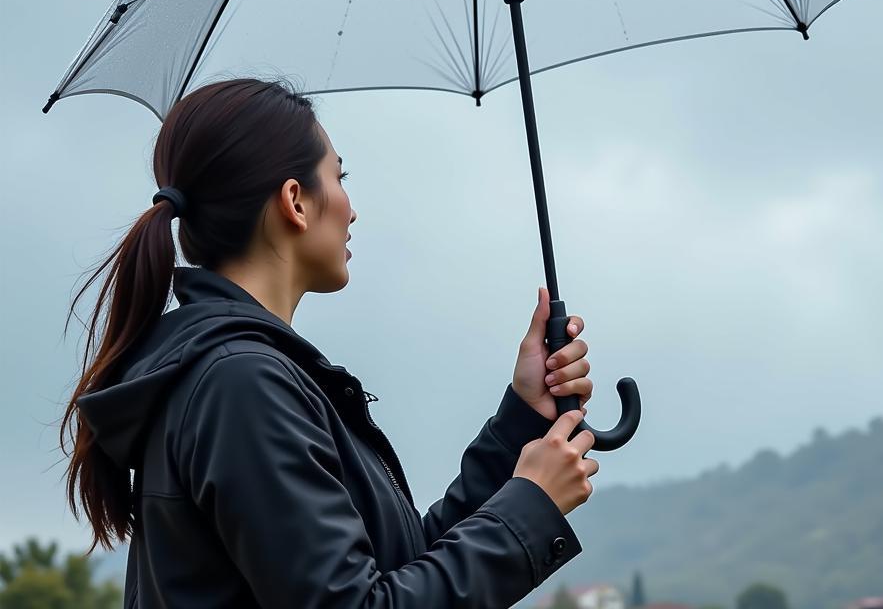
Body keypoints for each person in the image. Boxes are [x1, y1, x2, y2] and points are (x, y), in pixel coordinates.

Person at [60, 77, 598, 607]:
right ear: (295, 201)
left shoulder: (247, 374)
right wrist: (529, 506)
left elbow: (401, 567)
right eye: (339, 177)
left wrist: (522, 422)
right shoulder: (241, 384)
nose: (352, 208)